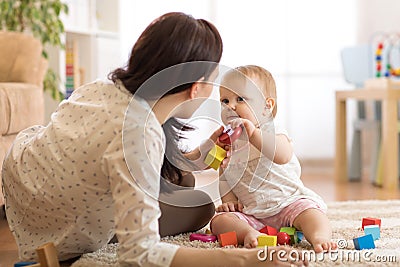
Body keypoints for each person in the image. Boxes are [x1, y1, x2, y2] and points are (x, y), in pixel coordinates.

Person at [2, 13, 307, 267]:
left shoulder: (105, 87)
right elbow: (140, 253)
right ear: (196, 88)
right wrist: (244, 259)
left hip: (24, 178)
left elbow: (163, 159)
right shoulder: (139, 135)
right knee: (200, 207)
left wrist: (205, 151)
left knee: (185, 183)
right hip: (60, 228)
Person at [211, 65, 337, 253]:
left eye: (240, 99)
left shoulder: (272, 132)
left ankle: (319, 237)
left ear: (266, 106)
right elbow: (224, 173)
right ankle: (249, 233)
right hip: (253, 214)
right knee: (220, 221)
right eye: (225, 101)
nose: (231, 106)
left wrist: (254, 135)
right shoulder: (229, 144)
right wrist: (228, 200)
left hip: (289, 203)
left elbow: (283, 155)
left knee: (312, 214)